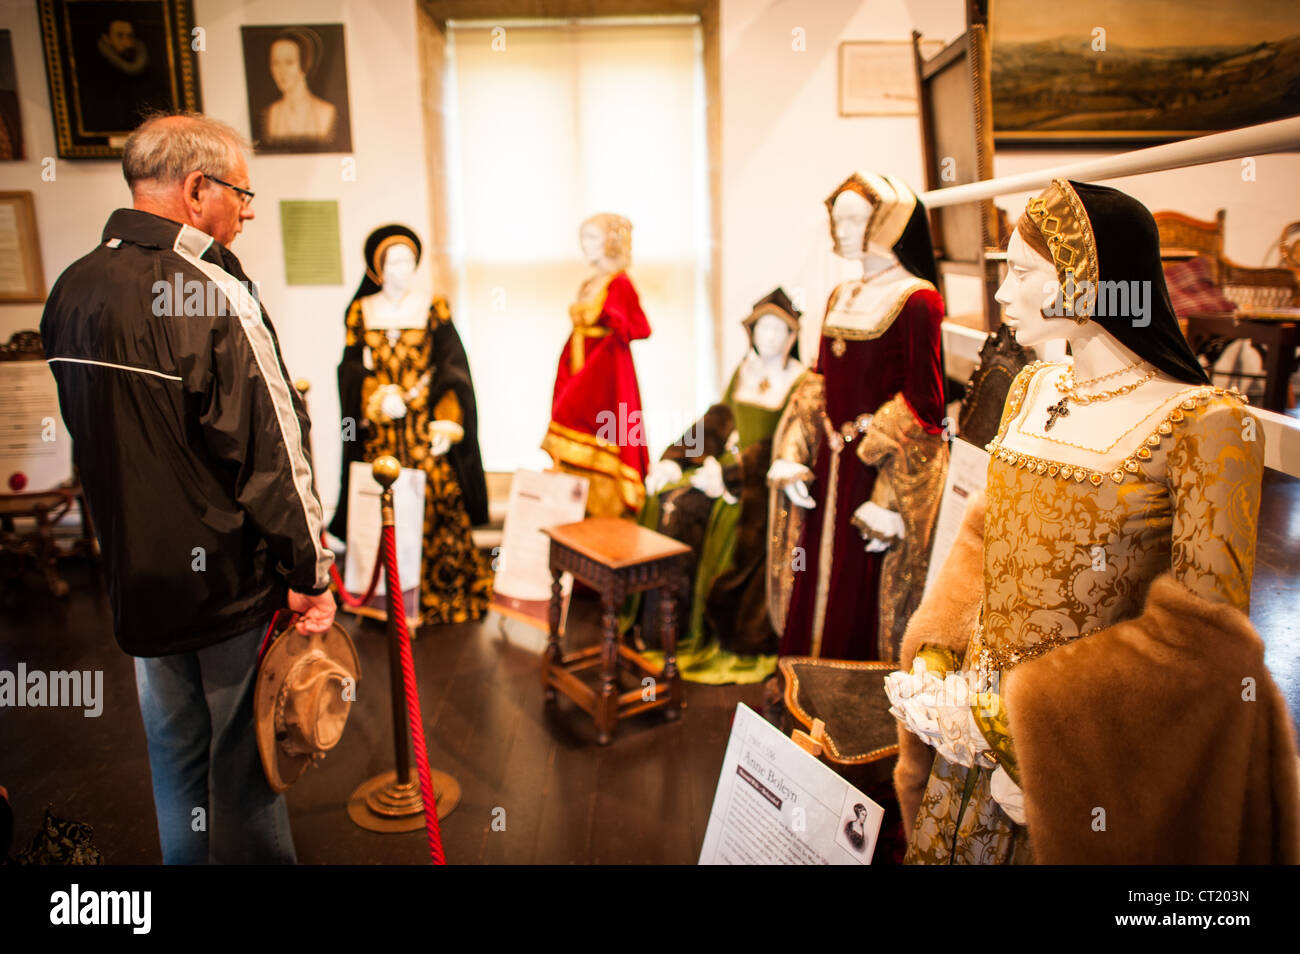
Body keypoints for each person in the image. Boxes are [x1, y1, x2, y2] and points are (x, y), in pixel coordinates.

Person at [888, 179, 1299, 864]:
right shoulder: (1032, 387)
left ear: (1086, 279)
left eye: (1020, 273)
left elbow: (1204, 645)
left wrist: (1016, 724)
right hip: (971, 734)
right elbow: (987, 537)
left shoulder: (1207, 425)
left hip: (1082, 756)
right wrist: (939, 657)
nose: (1000, 295)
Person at [40, 112, 336, 864]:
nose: (247, 211)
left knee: (173, 764)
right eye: (241, 193)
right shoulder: (209, 292)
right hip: (225, 586)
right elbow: (270, 454)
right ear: (197, 188)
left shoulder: (72, 289)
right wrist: (310, 575)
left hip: (133, 580)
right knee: (249, 773)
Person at [329, 224, 493, 626]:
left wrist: (448, 421)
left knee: (436, 499)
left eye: (407, 259)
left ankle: (442, 594)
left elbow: (453, 369)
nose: (402, 268)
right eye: (392, 260)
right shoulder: (361, 312)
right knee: (382, 505)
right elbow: (349, 369)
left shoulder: (433, 307)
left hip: (422, 427)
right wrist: (374, 394)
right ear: (378, 267)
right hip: (382, 429)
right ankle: (384, 599)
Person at [262, 29, 337, 145]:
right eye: (275, 63)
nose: (281, 71)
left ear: (304, 64)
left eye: (289, 62)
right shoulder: (271, 113)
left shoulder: (326, 111)